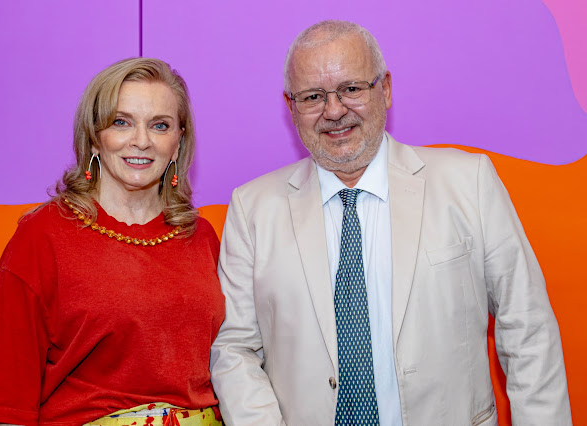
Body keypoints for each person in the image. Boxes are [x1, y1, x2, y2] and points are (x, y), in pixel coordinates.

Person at [210, 20, 572, 426]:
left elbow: (528, 330)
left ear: (384, 89)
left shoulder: (469, 182)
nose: (334, 111)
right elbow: (235, 349)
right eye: (312, 96)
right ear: (291, 107)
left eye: (351, 89)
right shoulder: (252, 210)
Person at [0, 58, 225, 426]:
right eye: (121, 122)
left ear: (178, 142)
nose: (142, 140)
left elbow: (234, 362)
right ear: (94, 137)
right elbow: (5, 400)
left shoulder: (202, 237)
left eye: (160, 125)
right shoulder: (42, 236)